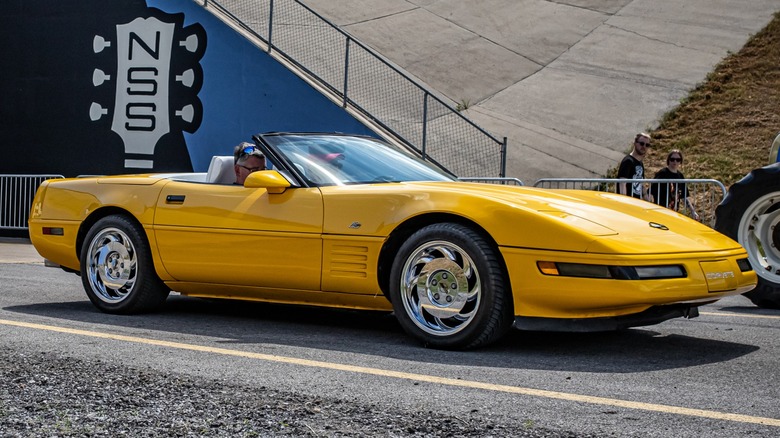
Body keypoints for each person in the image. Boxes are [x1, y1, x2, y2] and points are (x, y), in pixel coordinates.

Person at [650, 150, 700, 221]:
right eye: (672, 159)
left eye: (678, 160)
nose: (675, 161)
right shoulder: (662, 173)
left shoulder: (680, 176)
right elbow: (651, 191)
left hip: (674, 213)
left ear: (680, 161)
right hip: (661, 211)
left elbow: (684, 196)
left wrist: (693, 211)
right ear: (668, 160)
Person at [617, 132, 653, 201]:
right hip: (627, 202)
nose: (644, 146)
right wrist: (624, 201)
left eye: (647, 145)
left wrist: (647, 198)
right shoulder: (628, 161)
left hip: (636, 202)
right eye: (642, 143)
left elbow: (641, 184)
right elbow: (622, 183)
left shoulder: (640, 163)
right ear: (635, 143)